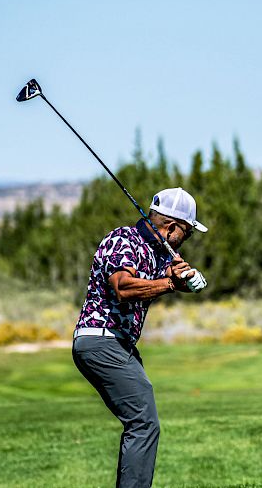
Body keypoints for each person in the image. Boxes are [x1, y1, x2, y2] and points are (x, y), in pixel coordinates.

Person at [72, 187, 208, 488]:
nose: (186, 240)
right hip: (101, 339)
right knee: (143, 422)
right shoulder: (124, 239)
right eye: (187, 233)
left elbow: (167, 280)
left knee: (142, 421)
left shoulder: (156, 253)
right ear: (172, 227)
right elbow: (123, 286)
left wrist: (186, 280)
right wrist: (170, 284)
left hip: (118, 344)